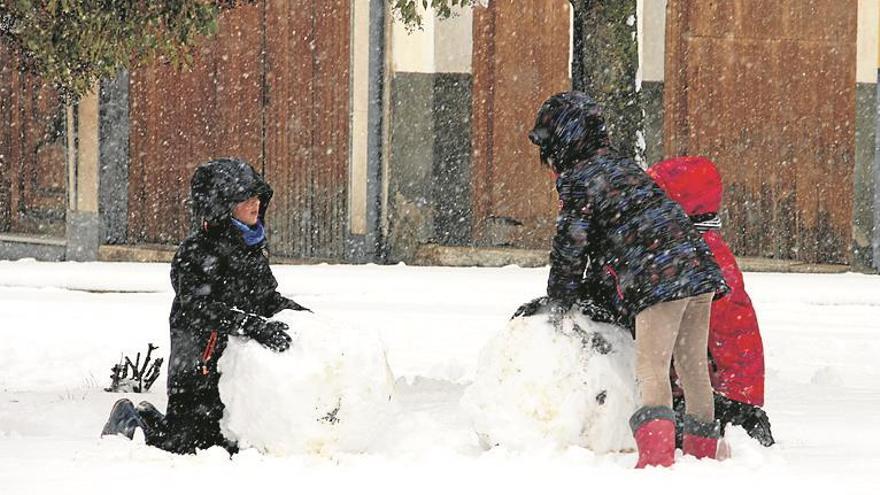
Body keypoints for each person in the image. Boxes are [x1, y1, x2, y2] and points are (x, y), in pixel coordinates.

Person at [515, 92, 728, 468]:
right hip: (698, 267)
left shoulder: (581, 179)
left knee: (651, 371)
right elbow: (621, 236)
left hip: (659, 276)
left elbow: (572, 244)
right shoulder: (623, 168)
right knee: (694, 367)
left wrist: (559, 299)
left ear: (564, 141)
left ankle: (657, 465)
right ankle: (703, 460)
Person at [101, 158, 310, 455]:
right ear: (222, 206)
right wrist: (252, 325)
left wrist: (304, 318)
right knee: (187, 445)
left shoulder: (250, 249)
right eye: (245, 198)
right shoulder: (196, 252)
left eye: (258, 197)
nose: (255, 204)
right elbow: (198, 308)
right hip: (197, 369)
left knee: (231, 444)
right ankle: (132, 417)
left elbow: (266, 298)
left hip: (233, 367)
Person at [646, 156, 774, 447]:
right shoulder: (692, 249)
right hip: (709, 383)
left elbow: (731, 333)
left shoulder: (703, 260)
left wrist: (736, 398)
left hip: (726, 395)